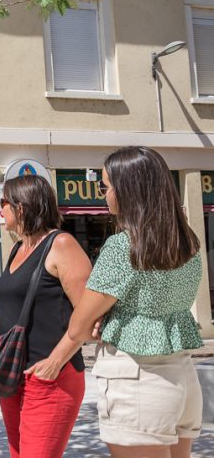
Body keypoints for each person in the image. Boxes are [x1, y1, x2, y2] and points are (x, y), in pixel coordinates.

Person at [38, 146, 204, 457]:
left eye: (107, 186)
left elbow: (79, 326)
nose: (105, 194)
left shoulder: (123, 247)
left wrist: (104, 323)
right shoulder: (188, 243)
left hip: (137, 383)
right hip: (181, 379)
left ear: (128, 190)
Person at [0, 175, 92, 458]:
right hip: (12, 378)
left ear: (21, 207)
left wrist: (54, 362)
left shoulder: (61, 244)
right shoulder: (18, 248)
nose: (0, 209)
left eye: (4, 202)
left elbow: (88, 315)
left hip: (51, 377)